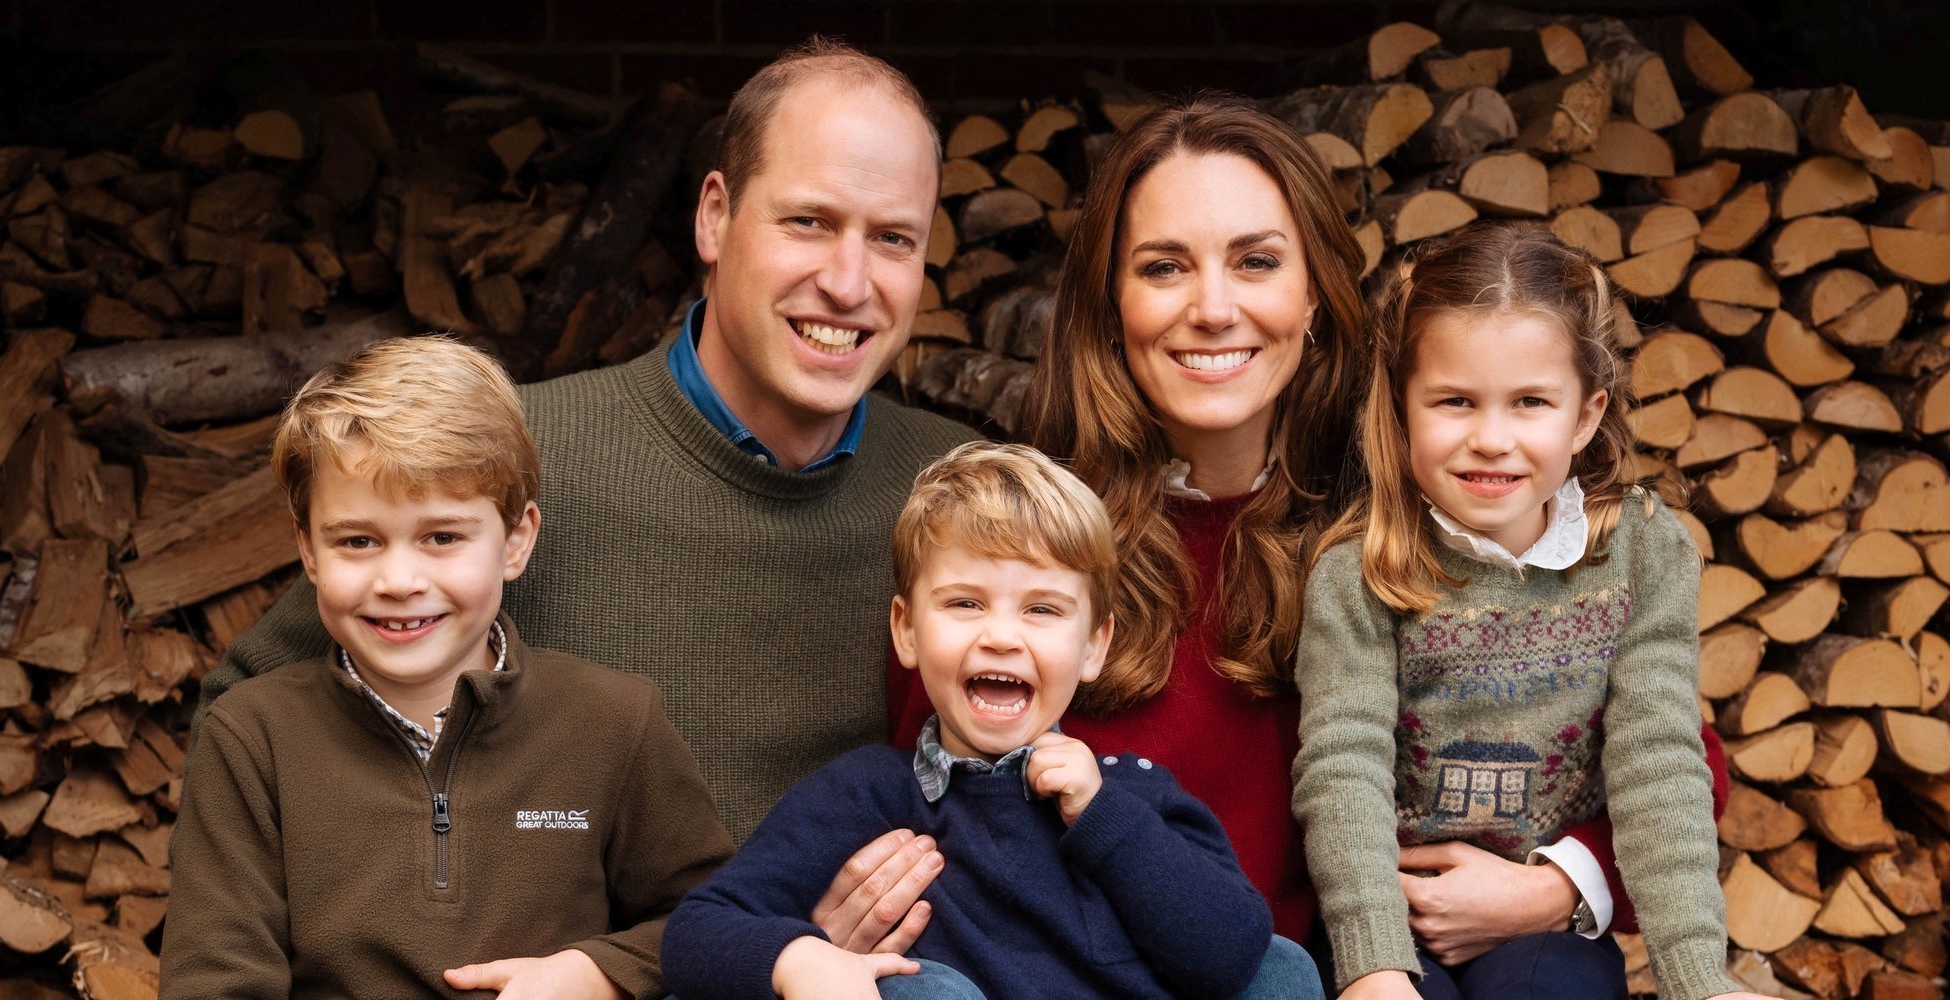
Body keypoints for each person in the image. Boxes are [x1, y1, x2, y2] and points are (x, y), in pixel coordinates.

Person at [885, 95, 1727, 972]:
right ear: (1110, 303)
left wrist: (1555, 886)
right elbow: (923, 782)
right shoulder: (1028, 535)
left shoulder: (1413, 518)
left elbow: (1676, 761)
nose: (1213, 309)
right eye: (1165, 267)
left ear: (1317, 291)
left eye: (1255, 261)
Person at [199, 38, 978, 851]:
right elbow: (239, 721)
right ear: (715, 216)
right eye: (809, 222)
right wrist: (447, 905)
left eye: (893, 239)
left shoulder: (963, 497)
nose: (849, 284)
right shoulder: (513, 459)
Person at [161, 337, 735, 999]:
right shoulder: (252, 737)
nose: (399, 580)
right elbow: (213, 981)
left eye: (442, 537)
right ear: (308, 551)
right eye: (357, 541)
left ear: (516, 540)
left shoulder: (614, 723)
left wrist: (597, 972)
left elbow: (710, 920)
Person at [1291, 225, 1769, 1000]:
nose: (1491, 438)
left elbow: (1660, 761)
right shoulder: (1362, 569)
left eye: (1531, 403)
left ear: (1585, 417)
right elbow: (1342, 768)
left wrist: (1697, 981)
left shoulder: (1644, 553)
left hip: (1537, 925)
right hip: (1387, 915)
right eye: (1454, 401)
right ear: (1403, 409)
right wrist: (1373, 963)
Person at [662, 442, 1319, 1000]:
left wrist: (1104, 819)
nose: (1002, 636)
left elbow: (1233, 955)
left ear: (1094, 646)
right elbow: (698, 931)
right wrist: (801, 958)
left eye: (1042, 610)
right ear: (907, 631)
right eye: (966, 603)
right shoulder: (869, 795)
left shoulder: (1131, 795)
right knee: (922, 991)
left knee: (1282, 968)